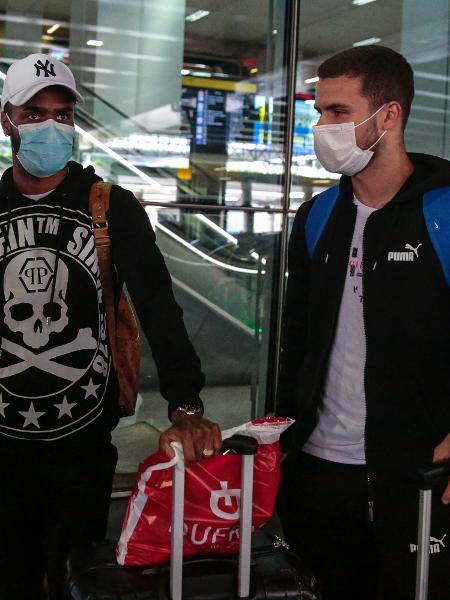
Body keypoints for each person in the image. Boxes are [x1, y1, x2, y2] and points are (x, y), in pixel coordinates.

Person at [0, 53, 221, 600]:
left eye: (63, 114)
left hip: (82, 441)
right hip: (1, 444)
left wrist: (186, 404)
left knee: (77, 579)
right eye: (34, 113)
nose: (51, 125)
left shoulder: (109, 206)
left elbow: (159, 306)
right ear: (7, 119)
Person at [276, 45, 450, 600]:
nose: (323, 126)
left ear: (390, 115)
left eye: (338, 112)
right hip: (321, 471)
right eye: (319, 111)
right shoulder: (319, 214)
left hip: (419, 473)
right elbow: (297, 335)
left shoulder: (442, 212)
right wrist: (281, 430)